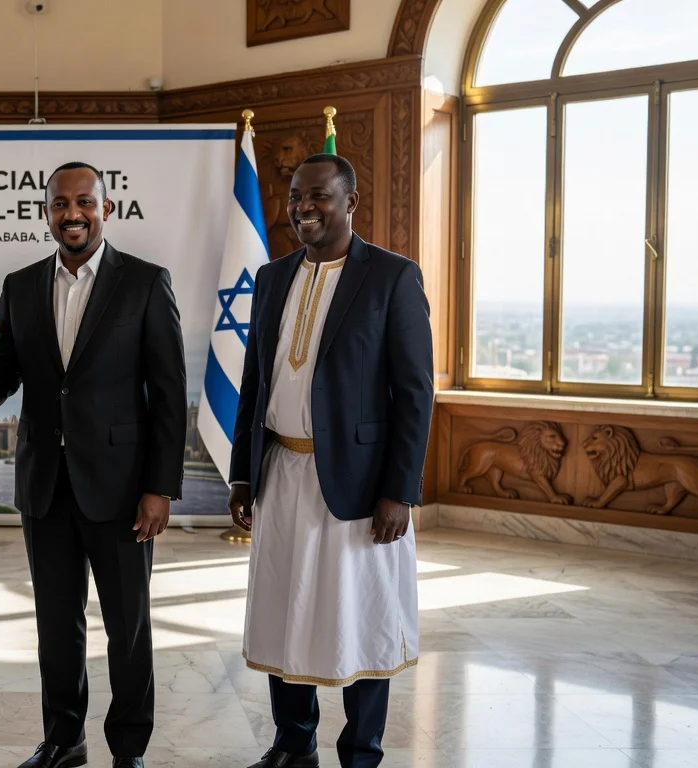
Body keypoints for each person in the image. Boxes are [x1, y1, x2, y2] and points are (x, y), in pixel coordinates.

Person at [0, 162, 187, 768]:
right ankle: (63, 740)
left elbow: (169, 394)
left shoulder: (146, 282)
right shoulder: (21, 284)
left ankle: (128, 750)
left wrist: (160, 488)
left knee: (128, 627)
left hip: (123, 490)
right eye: (60, 204)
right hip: (45, 486)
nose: (72, 214)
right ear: (46, 211)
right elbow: (2, 371)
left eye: (84, 202)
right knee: (56, 624)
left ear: (106, 208)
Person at [227, 154, 433, 768]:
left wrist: (400, 490)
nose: (302, 207)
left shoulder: (392, 277)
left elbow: (415, 393)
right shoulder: (272, 278)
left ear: (351, 202)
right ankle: (293, 745)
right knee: (281, 612)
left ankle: (361, 753)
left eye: (317, 195)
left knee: (361, 620)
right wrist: (243, 473)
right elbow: (255, 383)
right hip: (280, 473)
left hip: (359, 486)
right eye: (295, 196)